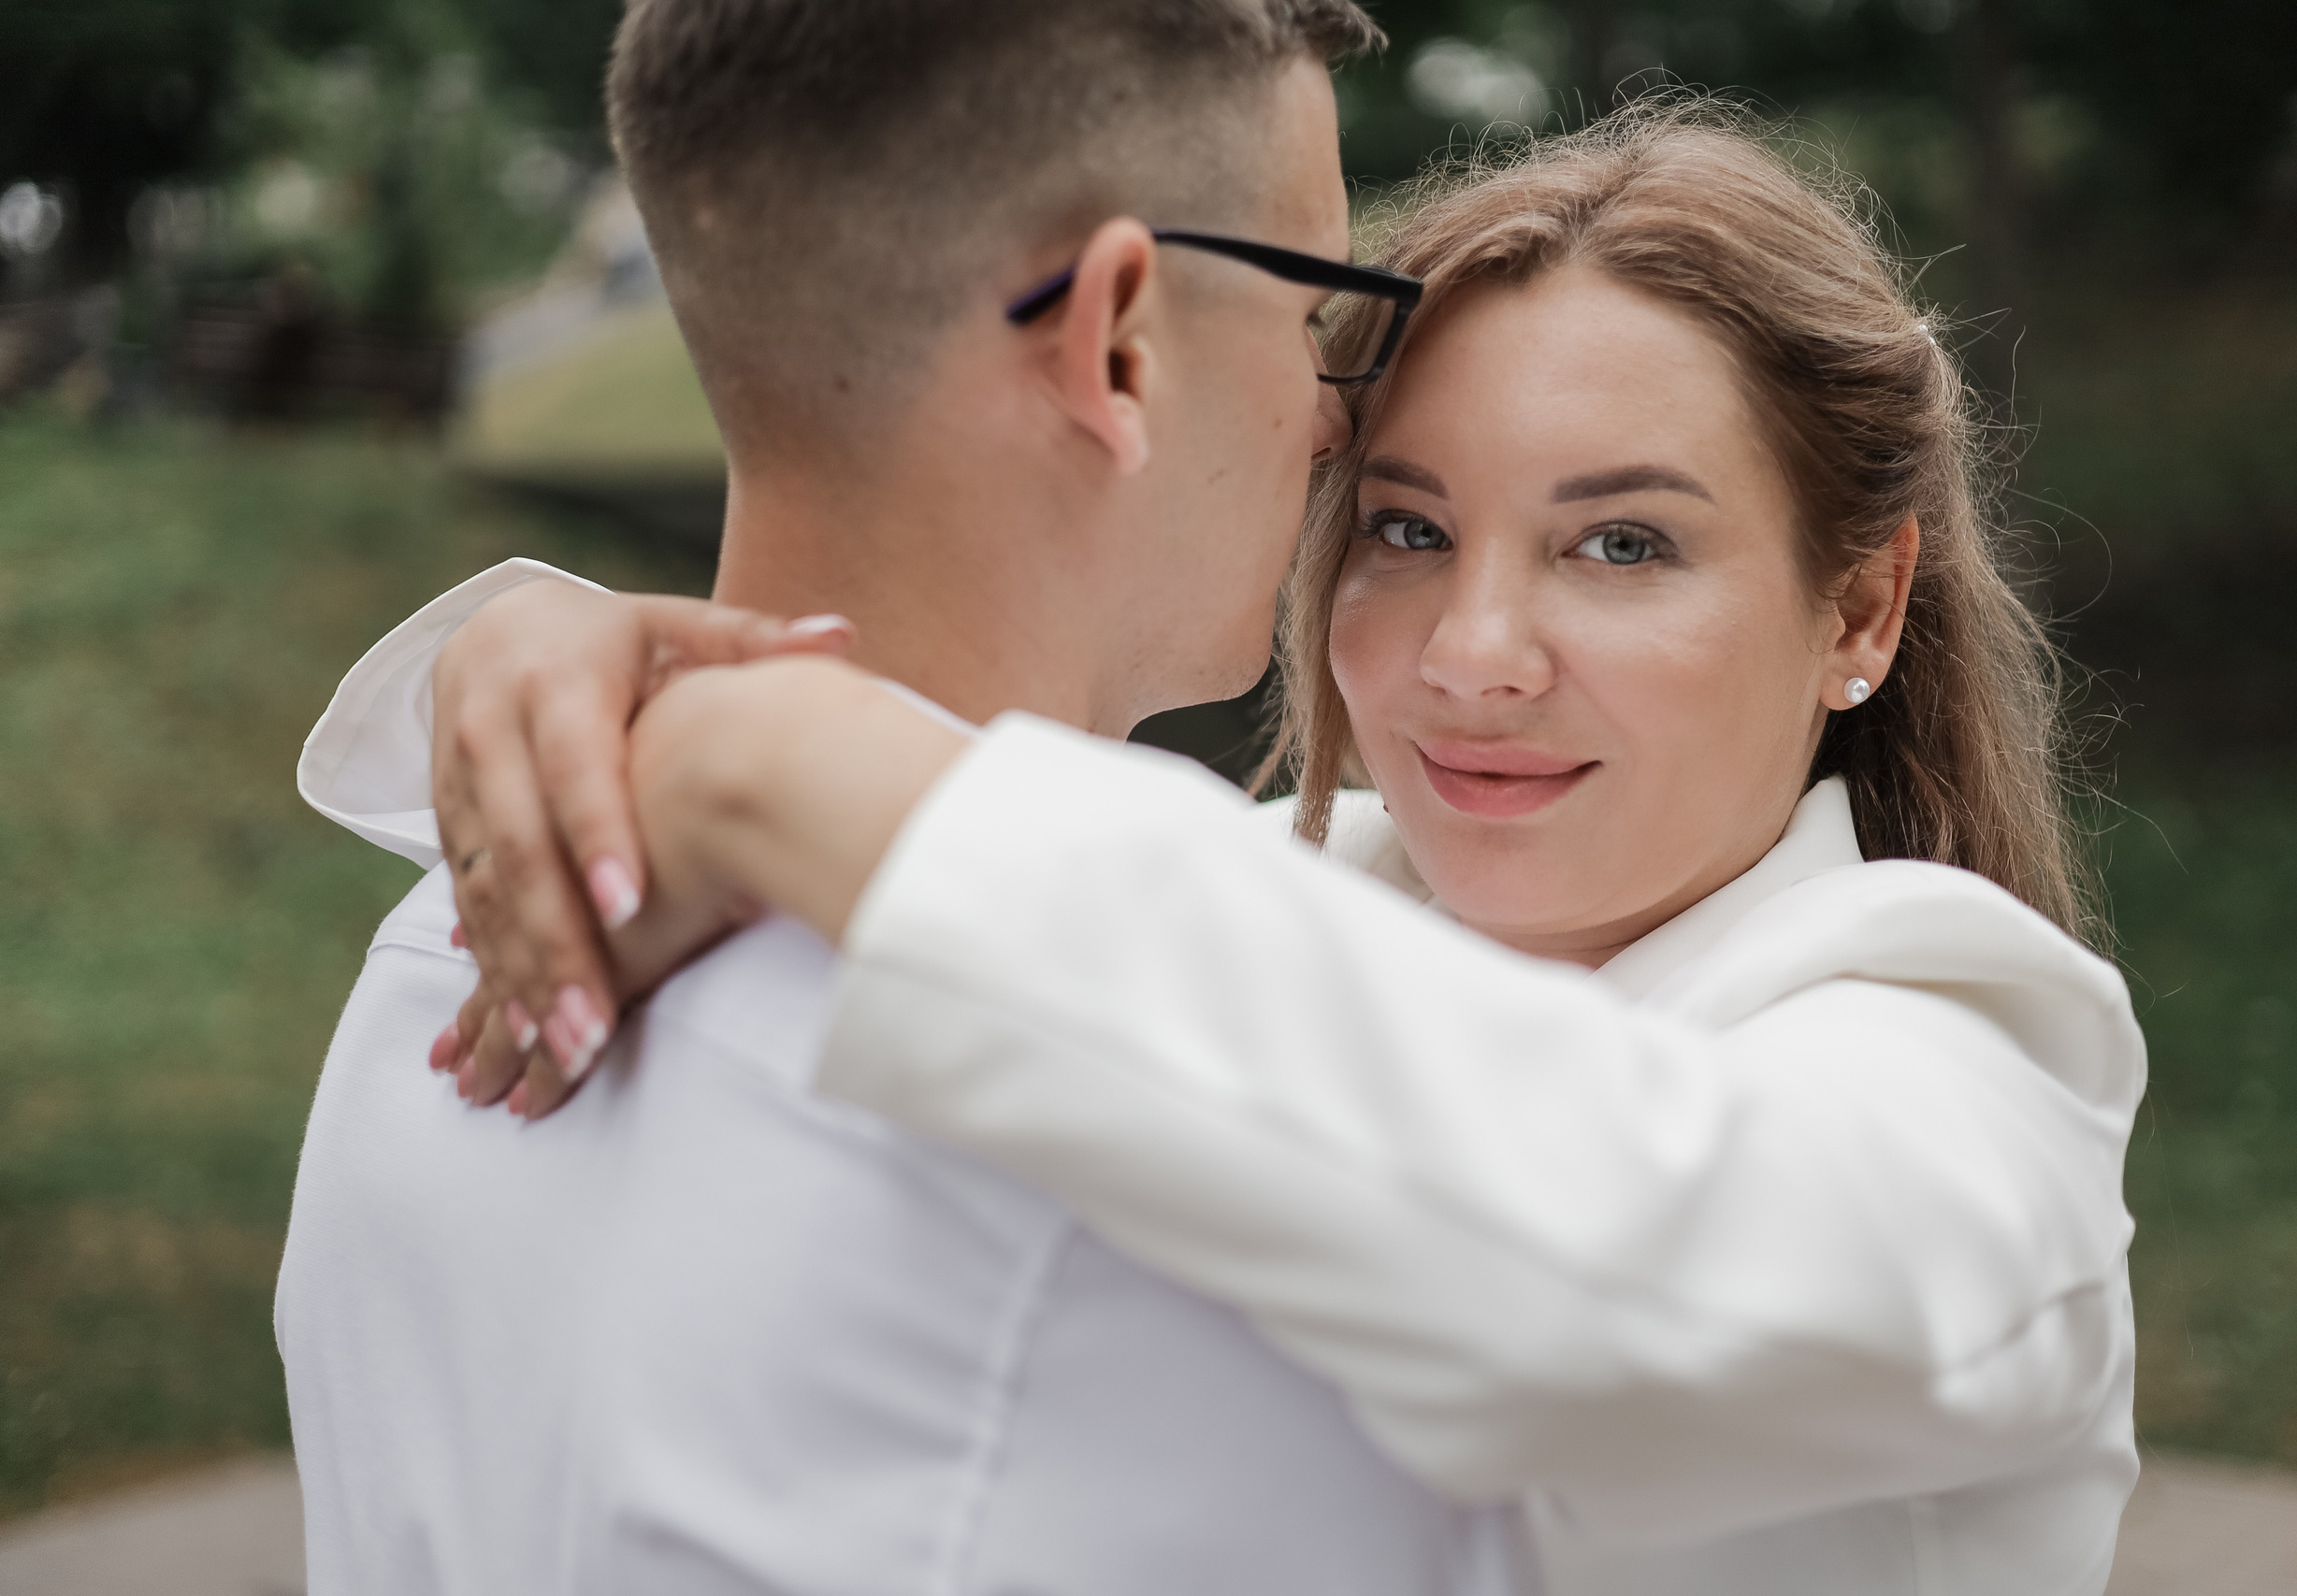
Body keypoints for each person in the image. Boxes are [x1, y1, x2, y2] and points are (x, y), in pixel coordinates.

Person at [329, 108, 2148, 1595]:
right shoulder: (1306, 894)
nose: (1471, 654)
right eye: (1407, 526)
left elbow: (1609, 1263)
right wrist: (551, 654)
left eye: (1620, 548)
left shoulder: (1959, 1068)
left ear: (1857, 606)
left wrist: (767, 748)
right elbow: (1145, 932)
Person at [278, 1, 1539, 1590]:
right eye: (1310, 316)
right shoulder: (1177, 1151)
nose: (1335, 418)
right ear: (1118, 342)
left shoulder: (428, 974)